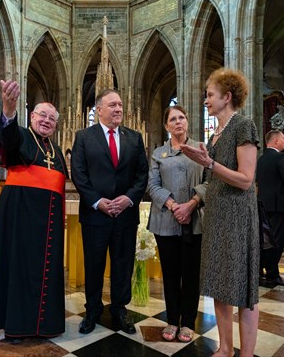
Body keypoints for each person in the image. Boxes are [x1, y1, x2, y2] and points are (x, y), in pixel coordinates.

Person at [180, 68, 259, 356]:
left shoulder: (243, 126)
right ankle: (225, 348)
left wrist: (209, 163)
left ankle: (246, 354)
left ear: (227, 97)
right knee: (219, 283)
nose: (205, 100)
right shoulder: (215, 134)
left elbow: (246, 179)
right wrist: (203, 158)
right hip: (216, 216)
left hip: (237, 216)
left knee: (243, 290)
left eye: (210, 95)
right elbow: (213, 179)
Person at [0, 80, 68, 342]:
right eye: (42, 115)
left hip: (49, 223)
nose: (46, 121)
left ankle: (45, 325)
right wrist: (8, 111)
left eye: (52, 119)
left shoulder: (56, 150)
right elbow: (8, 138)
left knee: (47, 270)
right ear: (32, 116)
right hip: (20, 216)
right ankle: (17, 326)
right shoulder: (21, 134)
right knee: (18, 267)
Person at [71, 89, 149, 335]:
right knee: (93, 265)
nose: (118, 109)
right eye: (113, 105)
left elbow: (142, 174)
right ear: (100, 110)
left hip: (125, 216)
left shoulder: (134, 138)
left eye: (120, 105)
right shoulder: (84, 137)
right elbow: (79, 173)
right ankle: (92, 311)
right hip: (95, 216)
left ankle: (119, 309)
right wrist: (97, 202)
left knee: (122, 265)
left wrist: (128, 198)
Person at [146, 106, 206, 343]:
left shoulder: (201, 149)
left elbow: (210, 181)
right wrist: (174, 206)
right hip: (166, 223)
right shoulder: (158, 153)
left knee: (191, 275)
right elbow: (152, 185)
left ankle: (188, 323)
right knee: (170, 274)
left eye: (182, 117)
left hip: (195, 221)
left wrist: (191, 204)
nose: (178, 121)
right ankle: (172, 320)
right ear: (167, 126)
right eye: (173, 119)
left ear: (187, 122)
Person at [256, 130, 284, 287]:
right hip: (281, 205)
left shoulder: (261, 159)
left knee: (265, 240)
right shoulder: (281, 157)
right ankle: (273, 275)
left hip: (264, 205)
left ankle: (259, 270)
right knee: (277, 241)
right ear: (275, 141)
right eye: (283, 139)